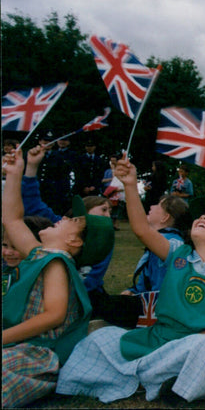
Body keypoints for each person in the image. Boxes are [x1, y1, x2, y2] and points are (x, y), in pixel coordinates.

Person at [55, 157, 205, 404]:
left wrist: (194, 340)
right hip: (161, 336)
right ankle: (163, 377)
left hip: (200, 340)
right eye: (201, 215)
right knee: (99, 338)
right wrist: (129, 184)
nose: (204, 217)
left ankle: (177, 383)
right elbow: (142, 230)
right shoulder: (177, 251)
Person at [2, 148, 114, 408]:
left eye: (71, 220)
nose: (62, 217)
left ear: (73, 240)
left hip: (39, 353)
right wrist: (15, 173)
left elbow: (54, 315)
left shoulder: (57, 263)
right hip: (21, 345)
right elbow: (12, 219)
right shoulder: (40, 254)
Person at [21, 145, 117, 315]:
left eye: (110, 211)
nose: (108, 214)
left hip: (83, 298)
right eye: (103, 209)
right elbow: (33, 204)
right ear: (84, 210)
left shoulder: (103, 239)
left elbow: (92, 280)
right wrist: (31, 168)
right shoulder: (61, 225)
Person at [92, 194, 189, 329]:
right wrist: (133, 290)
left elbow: (141, 230)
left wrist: (130, 184)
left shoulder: (172, 244)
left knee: (93, 300)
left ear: (165, 217)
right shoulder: (165, 239)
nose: (151, 206)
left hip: (156, 310)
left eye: (158, 205)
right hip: (146, 302)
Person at [37, 130, 74, 216]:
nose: (48, 143)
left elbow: (63, 176)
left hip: (53, 192)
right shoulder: (33, 155)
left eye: (50, 141)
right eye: (45, 141)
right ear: (40, 142)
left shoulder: (59, 157)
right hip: (37, 190)